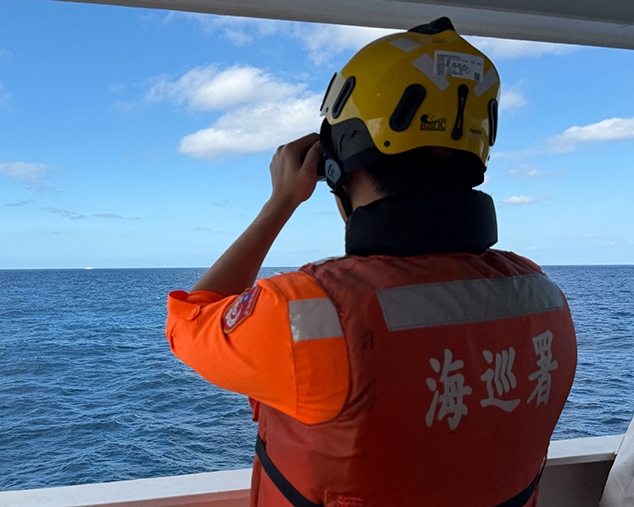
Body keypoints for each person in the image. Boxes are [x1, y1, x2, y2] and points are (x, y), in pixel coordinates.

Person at [165, 17, 577, 507]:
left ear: (336, 169)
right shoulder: (546, 300)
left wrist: (281, 201)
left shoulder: (310, 314)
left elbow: (189, 321)